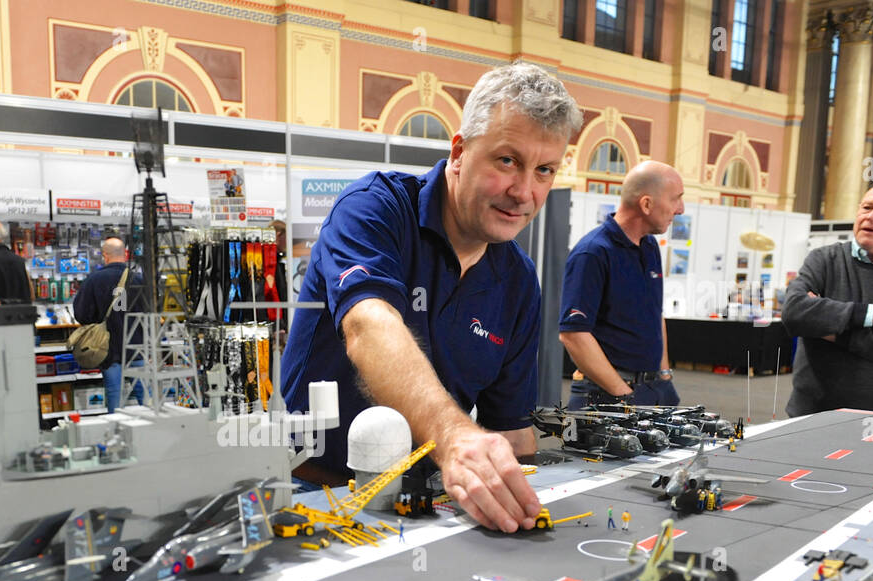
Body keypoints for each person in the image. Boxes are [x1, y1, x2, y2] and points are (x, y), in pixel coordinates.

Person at [281, 62, 582, 533]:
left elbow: (511, 429)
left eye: (544, 170)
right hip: (320, 495)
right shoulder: (374, 211)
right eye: (507, 161)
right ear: (460, 151)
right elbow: (369, 326)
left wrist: (524, 494)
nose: (524, 192)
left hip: (431, 502)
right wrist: (456, 435)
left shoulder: (518, 281)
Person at [783, 179, 873, 416]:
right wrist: (871, 313)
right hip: (812, 413)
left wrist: (831, 331)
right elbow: (794, 313)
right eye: (867, 207)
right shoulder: (823, 260)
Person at [559, 161, 684, 409]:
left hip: (652, 389)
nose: (680, 209)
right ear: (646, 204)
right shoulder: (593, 253)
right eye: (675, 199)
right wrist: (624, 395)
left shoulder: (649, 247)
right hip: (606, 396)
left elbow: (655, 315)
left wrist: (664, 375)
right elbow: (573, 334)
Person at [72, 236, 141, 411]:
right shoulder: (139, 280)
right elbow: (152, 313)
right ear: (125, 254)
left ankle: (117, 434)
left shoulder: (94, 280)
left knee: (114, 398)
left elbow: (81, 314)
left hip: (107, 350)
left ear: (105, 255)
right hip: (137, 348)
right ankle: (152, 434)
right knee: (145, 397)